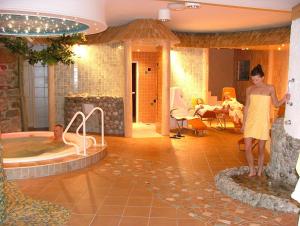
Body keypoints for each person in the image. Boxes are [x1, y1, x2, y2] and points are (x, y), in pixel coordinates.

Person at [241, 64, 289, 177]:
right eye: (253, 79)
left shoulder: (270, 88)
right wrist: (244, 123)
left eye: (257, 79)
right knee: (247, 148)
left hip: (263, 122)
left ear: (262, 77)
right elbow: (247, 106)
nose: (255, 81)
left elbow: (276, 104)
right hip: (251, 121)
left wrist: (284, 98)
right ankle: (252, 169)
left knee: (261, 149)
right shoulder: (249, 89)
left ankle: (260, 170)